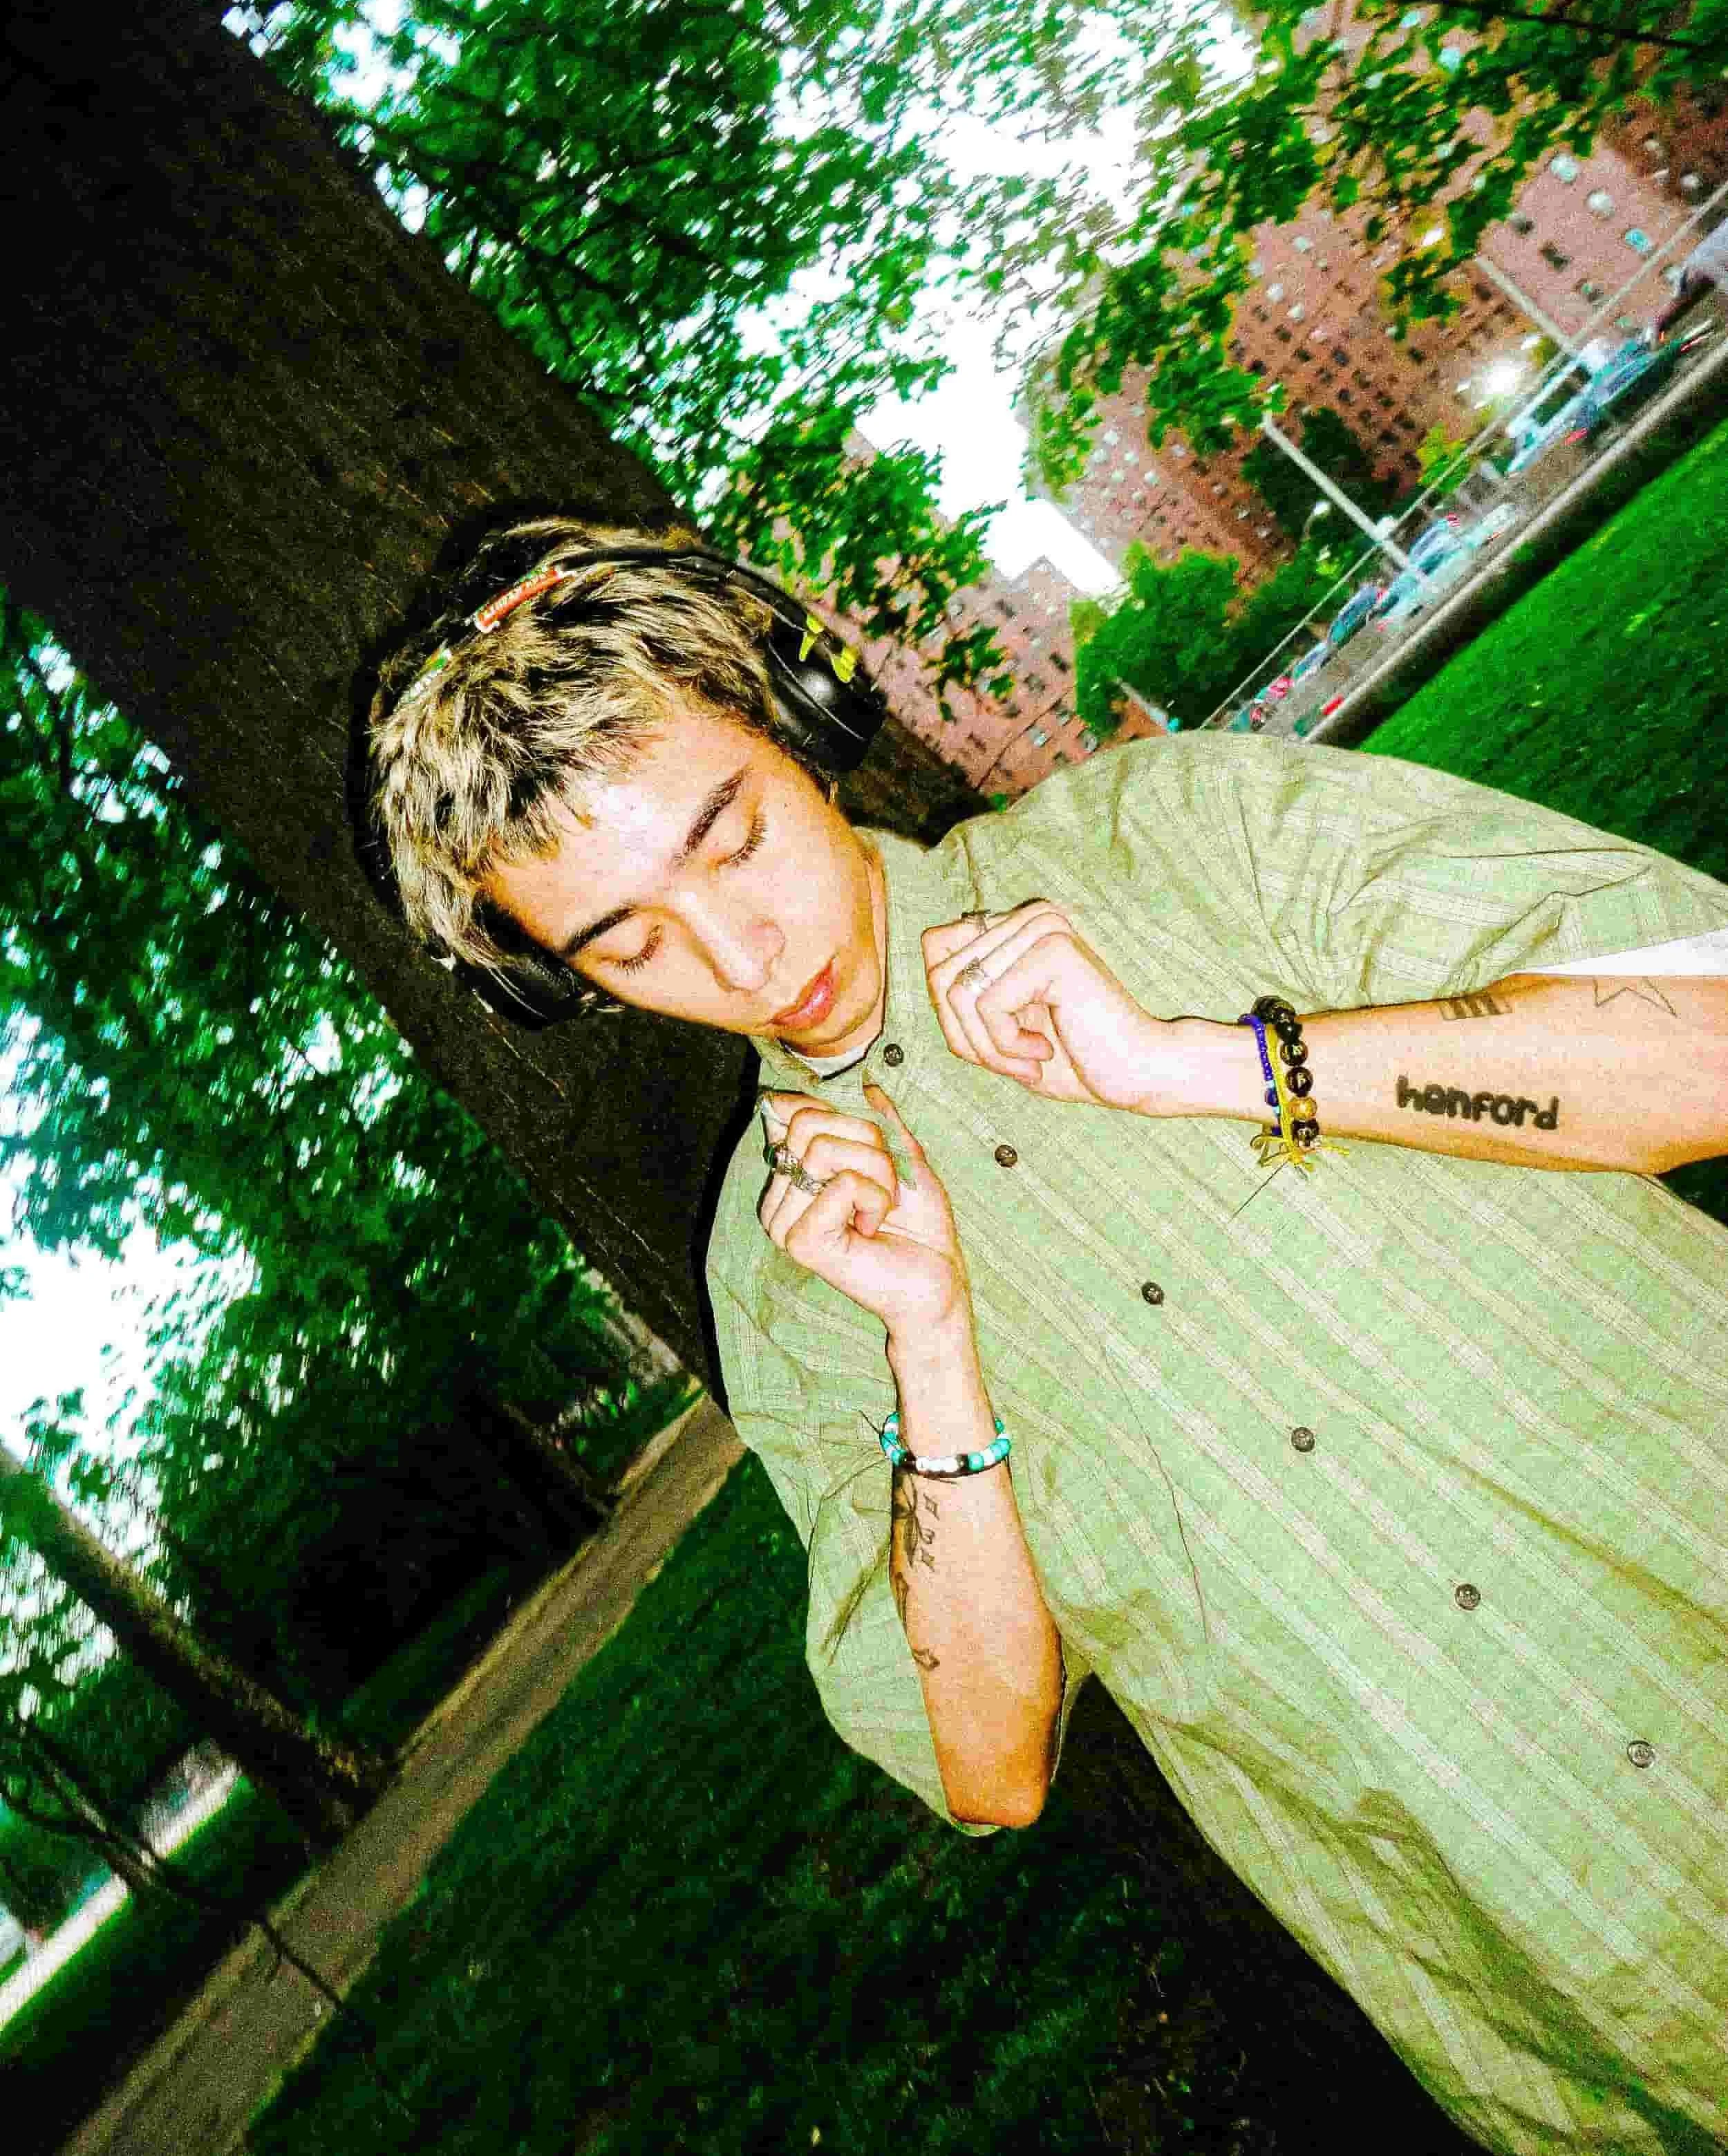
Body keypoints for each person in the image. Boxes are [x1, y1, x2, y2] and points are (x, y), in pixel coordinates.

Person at [368, 515, 1728, 2156]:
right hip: (1584, 1983)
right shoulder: (780, 1275)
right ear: (555, 982)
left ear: (796, 715)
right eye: (628, 943)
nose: (738, 957)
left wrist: (1211, 1065)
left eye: (726, 838)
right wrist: (929, 1350)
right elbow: (989, 1757)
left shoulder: (1182, 834)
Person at [1649, 213, 1728, 344]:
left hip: (1702, 266)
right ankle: (1658, 335)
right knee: (1680, 300)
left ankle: (1659, 334)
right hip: (1703, 265)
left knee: (1681, 299)